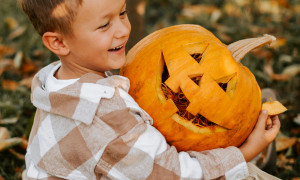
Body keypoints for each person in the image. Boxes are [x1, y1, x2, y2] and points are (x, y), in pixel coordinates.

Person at [19, 0, 281, 179]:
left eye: (122, 12)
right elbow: (172, 175)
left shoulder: (57, 82)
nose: (123, 30)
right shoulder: (107, 116)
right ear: (58, 42)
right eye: (104, 25)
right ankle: (252, 162)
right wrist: (246, 151)